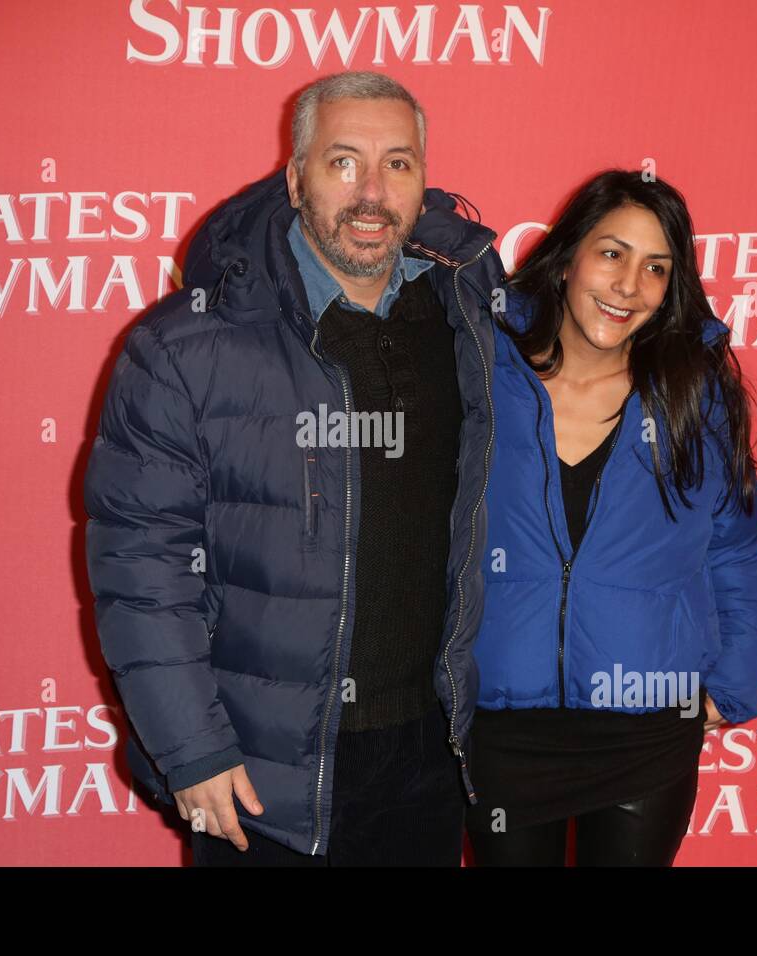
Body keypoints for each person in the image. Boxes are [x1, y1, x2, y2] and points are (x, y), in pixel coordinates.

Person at [82, 70, 505, 866]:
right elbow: (141, 561)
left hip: (425, 765)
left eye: (399, 164)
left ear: (424, 182)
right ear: (295, 175)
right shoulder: (184, 347)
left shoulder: (470, 322)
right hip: (258, 775)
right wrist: (193, 749)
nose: (372, 192)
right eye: (343, 162)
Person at [464, 170, 757, 866]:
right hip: (503, 724)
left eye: (655, 268)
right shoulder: (487, 374)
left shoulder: (691, 392)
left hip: (646, 730)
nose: (628, 284)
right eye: (611, 253)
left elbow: (735, 546)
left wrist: (735, 680)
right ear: (568, 256)